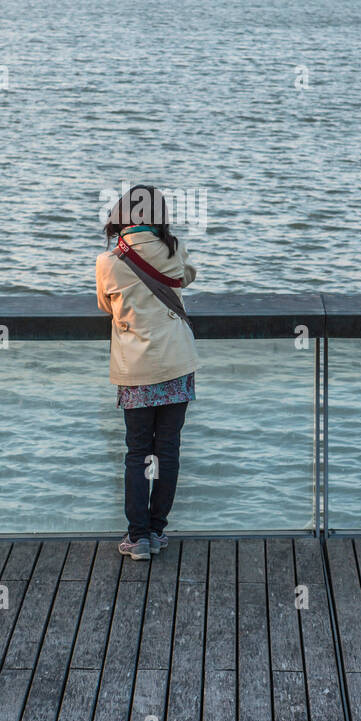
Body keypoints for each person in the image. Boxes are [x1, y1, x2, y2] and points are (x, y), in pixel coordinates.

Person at [96, 186, 197, 561]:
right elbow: (187, 277)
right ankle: (157, 530)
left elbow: (104, 304)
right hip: (177, 362)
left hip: (136, 368)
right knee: (167, 449)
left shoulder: (108, 261)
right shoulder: (172, 249)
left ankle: (137, 538)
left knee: (138, 451)